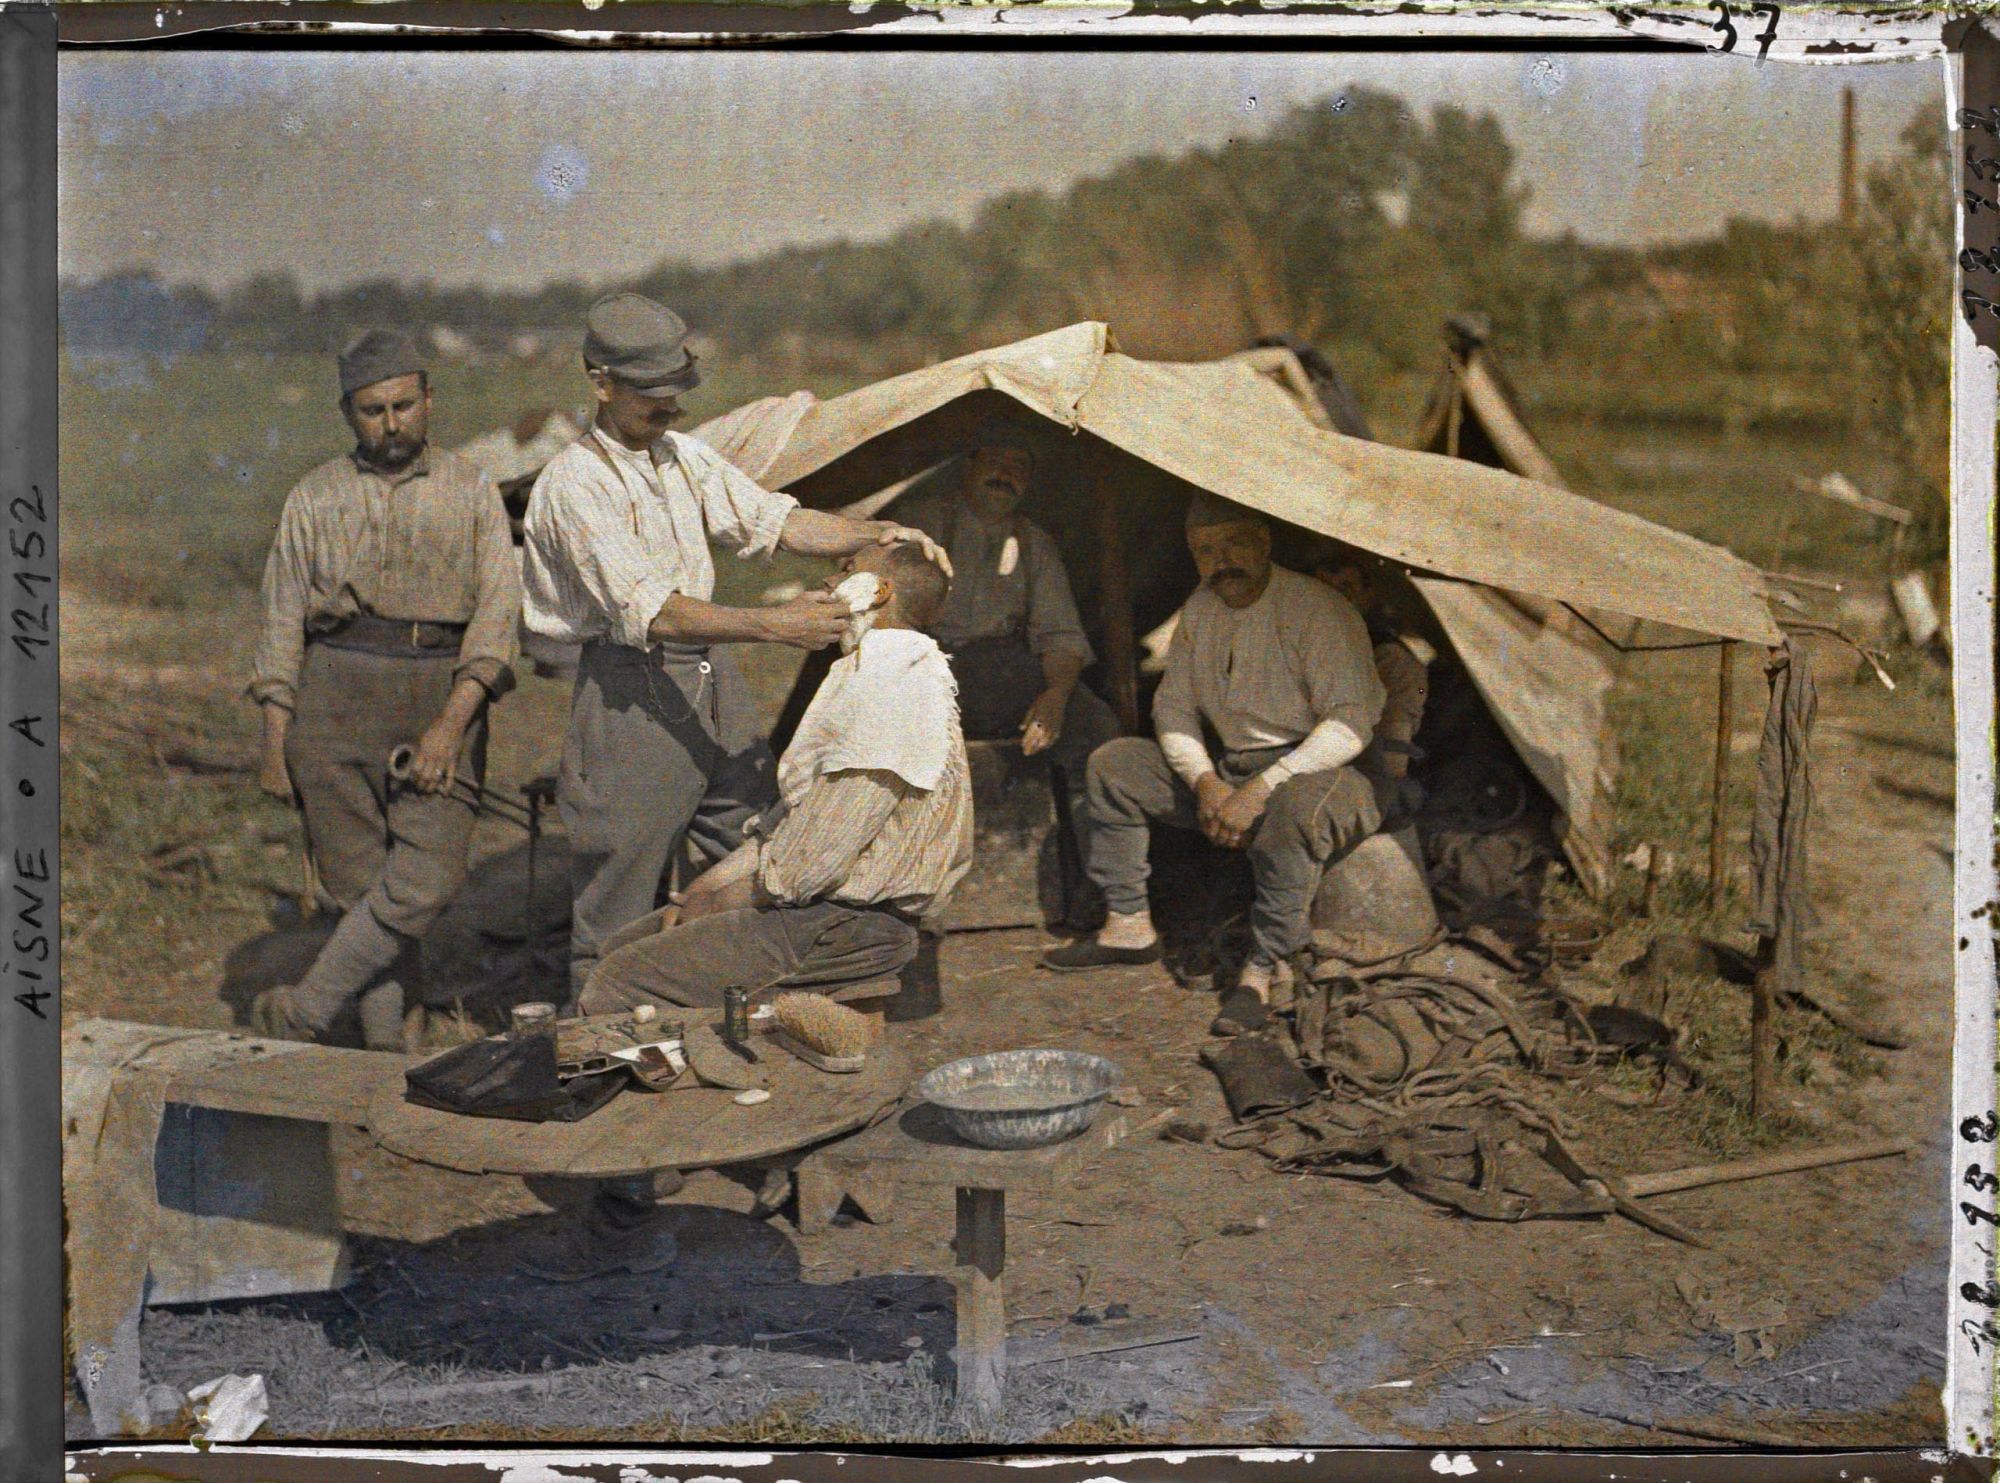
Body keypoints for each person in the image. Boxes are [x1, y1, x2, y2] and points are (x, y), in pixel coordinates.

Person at [522, 293, 949, 1008]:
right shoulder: (573, 486)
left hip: (713, 681)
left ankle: (742, 1014)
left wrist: (880, 532)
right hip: (633, 690)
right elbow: (654, 611)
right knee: (620, 891)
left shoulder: (680, 457)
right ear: (601, 382)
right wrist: (778, 624)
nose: (673, 411)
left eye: (678, 395)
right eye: (654, 396)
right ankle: (601, 1051)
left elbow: (774, 520)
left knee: (762, 844)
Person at [247, 330, 521, 1050]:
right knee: (362, 896)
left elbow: (496, 621)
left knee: (424, 883)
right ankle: (383, 1059)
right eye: (373, 410)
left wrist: (450, 726)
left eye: (404, 404)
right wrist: (276, 741)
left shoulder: (472, 490)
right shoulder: (314, 496)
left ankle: (304, 1009)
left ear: (429, 399)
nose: (392, 422)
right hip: (334, 696)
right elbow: (280, 620)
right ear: (349, 414)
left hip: (439, 693)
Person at [1042, 494, 1388, 1034]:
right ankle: (1128, 924)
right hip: (1232, 768)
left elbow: (1350, 724)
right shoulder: (1201, 609)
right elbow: (1174, 707)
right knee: (1116, 764)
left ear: (1265, 542)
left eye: (1235, 543)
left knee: (1293, 810)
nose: (1221, 560)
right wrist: (1204, 780)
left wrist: (1265, 787)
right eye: (1205, 550)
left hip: (1324, 771)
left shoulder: (1316, 609)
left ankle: (1266, 967)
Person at [579, 539, 971, 1014]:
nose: (828, 581)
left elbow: (817, 857)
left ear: (879, 591)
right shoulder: (869, 669)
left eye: (845, 569)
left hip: (849, 925)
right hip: (816, 909)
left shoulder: (897, 679)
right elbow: (793, 823)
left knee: (618, 981)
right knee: (621, 946)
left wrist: (719, 904)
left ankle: (688, 1080)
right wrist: (705, 889)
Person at [894, 428, 1120, 924]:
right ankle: (896, 899)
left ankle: (1103, 893)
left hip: (997, 670)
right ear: (968, 467)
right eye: (995, 461)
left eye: (1020, 468)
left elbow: (1059, 635)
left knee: (1099, 734)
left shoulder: (1034, 544)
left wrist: (1057, 696)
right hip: (917, 665)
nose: (1006, 475)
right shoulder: (920, 524)